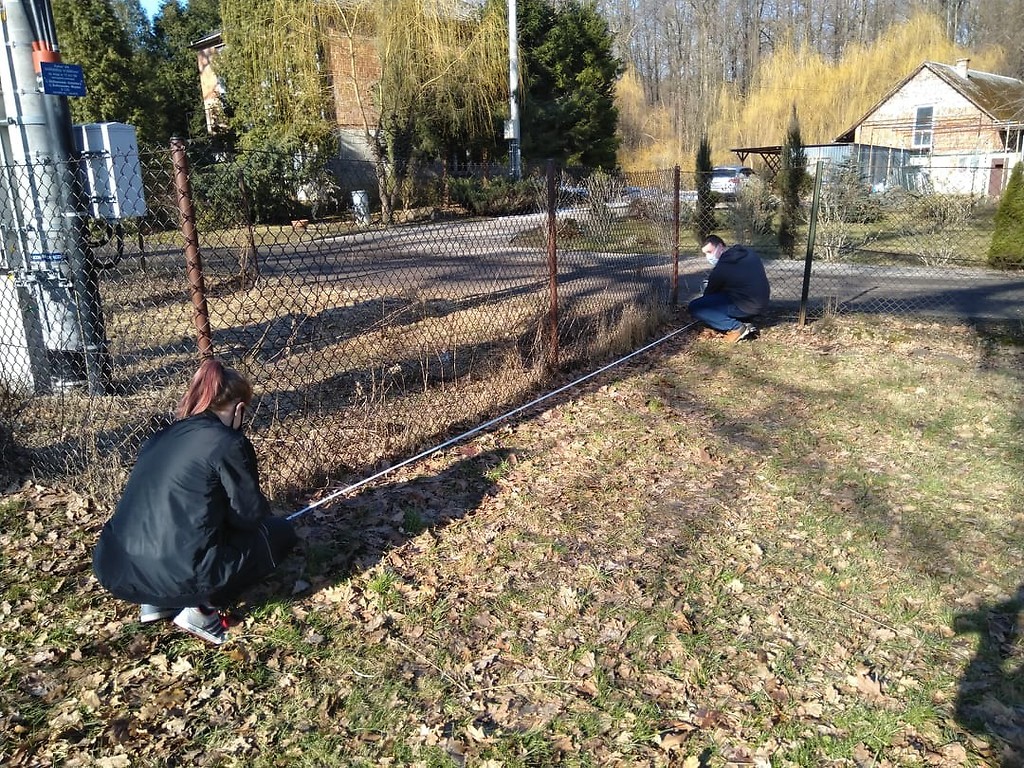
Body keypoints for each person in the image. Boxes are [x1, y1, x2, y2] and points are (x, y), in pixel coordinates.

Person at [93, 358, 297, 645]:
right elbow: (249, 516)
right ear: (239, 408)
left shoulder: (162, 435)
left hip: (116, 567)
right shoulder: (228, 442)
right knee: (279, 533)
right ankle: (201, 610)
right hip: (181, 572)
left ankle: (155, 603)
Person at [688, 234, 770, 343]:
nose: (708, 257)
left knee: (696, 307)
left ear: (721, 247)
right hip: (762, 301)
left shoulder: (722, 267)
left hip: (746, 305)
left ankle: (736, 327)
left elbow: (709, 295)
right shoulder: (748, 253)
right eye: (705, 254)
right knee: (726, 294)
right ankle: (746, 320)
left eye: (710, 252)